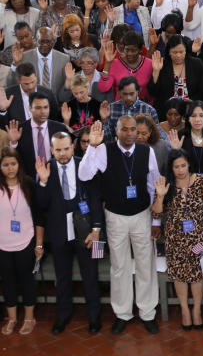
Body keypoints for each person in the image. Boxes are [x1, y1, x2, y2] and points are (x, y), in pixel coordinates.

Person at [77, 118, 160, 335]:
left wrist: (155, 220)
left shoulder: (146, 152)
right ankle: (122, 313)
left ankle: (147, 312)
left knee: (145, 265)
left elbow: (153, 185)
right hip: (115, 216)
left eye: (133, 129)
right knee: (119, 266)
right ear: (117, 131)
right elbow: (84, 174)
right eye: (125, 129)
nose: (130, 133)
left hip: (142, 214)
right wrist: (92, 148)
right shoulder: (103, 150)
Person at [34, 132, 103, 334]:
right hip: (58, 233)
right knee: (62, 277)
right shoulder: (45, 168)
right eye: (58, 150)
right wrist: (43, 182)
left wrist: (97, 229)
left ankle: (94, 317)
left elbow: (95, 199)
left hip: (87, 232)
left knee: (91, 275)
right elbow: (41, 205)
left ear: (73, 147)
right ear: (52, 150)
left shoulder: (85, 165)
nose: (62, 154)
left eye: (66, 149)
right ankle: (62, 316)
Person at [150, 149, 203, 331]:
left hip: (198, 238)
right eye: (176, 167)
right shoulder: (166, 184)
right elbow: (156, 213)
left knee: (198, 274)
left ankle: (196, 310)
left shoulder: (201, 181)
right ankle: (184, 311)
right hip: (175, 240)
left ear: (188, 164)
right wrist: (161, 196)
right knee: (179, 275)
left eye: (183, 165)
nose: (180, 170)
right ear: (171, 168)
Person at [0, 147, 38, 335]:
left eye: (13, 164)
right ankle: (13, 318)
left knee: (26, 279)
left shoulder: (28, 184)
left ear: (19, 164)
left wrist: (38, 243)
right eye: (5, 165)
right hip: (2, 244)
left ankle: (29, 317)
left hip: (25, 240)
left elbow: (38, 215)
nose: (10, 168)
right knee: (7, 281)